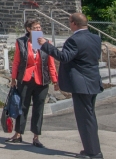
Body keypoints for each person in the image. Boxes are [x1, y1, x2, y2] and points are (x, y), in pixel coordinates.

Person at [38, 13, 103, 159]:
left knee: (85, 119)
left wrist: (46, 45)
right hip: (93, 81)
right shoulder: (96, 38)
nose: (69, 24)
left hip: (81, 84)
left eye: (69, 22)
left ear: (74, 23)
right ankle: (92, 148)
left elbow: (64, 57)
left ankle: (93, 152)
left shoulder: (74, 40)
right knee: (89, 117)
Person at [6, 19, 59, 148]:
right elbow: (16, 62)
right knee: (22, 107)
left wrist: (55, 80)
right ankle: (18, 133)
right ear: (28, 29)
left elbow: (50, 63)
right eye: (35, 28)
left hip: (42, 80)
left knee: (38, 108)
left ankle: (36, 136)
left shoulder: (46, 43)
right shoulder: (21, 42)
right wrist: (13, 79)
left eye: (39, 27)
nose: (38, 30)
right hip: (26, 79)